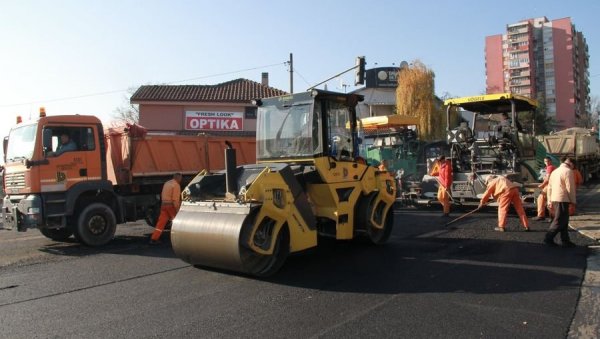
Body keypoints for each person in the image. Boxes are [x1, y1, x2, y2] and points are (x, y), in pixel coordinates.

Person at [544, 157, 577, 247]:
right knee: (559, 220)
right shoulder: (568, 171)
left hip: (555, 198)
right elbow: (570, 188)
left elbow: (549, 187)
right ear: (572, 164)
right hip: (562, 198)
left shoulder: (555, 171)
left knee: (564, 220)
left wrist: (549, 200)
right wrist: (573, 201)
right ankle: (548, 238)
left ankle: (565, 240)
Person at [150, 173, 183, 245]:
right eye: (181, 178)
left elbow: (162, 194)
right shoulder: (176, 185)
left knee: (161, 223)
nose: (181, 179)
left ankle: (154, 239)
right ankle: (178, 239)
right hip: (171, 206)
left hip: (164, 205)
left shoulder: (167, 183)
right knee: (176, 222)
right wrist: (177, 210)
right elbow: (175, 199)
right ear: (178, 178)